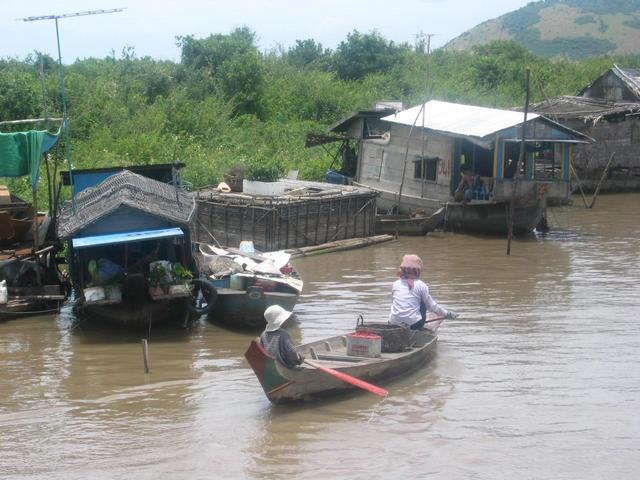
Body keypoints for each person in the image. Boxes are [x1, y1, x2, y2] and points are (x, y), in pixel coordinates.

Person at [389, 254, 458, 331]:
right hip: (414, 325)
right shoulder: (421, 285)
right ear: (417, 270)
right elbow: (431, 306)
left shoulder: (395, 284)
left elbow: (394, 303)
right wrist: (447, 314)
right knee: (423, 301)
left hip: (393, 323)